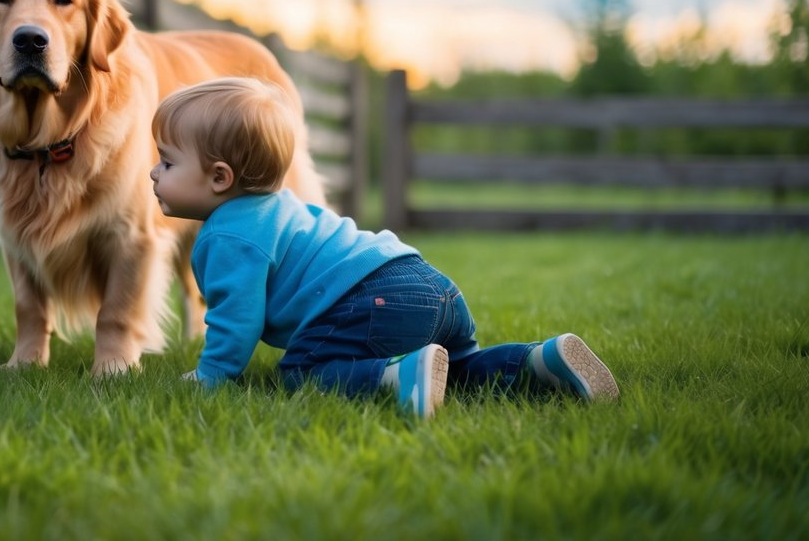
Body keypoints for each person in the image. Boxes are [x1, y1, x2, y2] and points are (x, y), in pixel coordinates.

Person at [149, 77, 619, 419]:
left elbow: (236, 320)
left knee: (300, 372)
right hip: (429, 284)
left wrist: (212, 377)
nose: (153, 172)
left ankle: (394, 377)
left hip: (370, 301)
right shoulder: (281, 208)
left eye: (167, 161)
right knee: (459, 372)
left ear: (219, 178)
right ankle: (541, 362)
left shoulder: (227, 235)